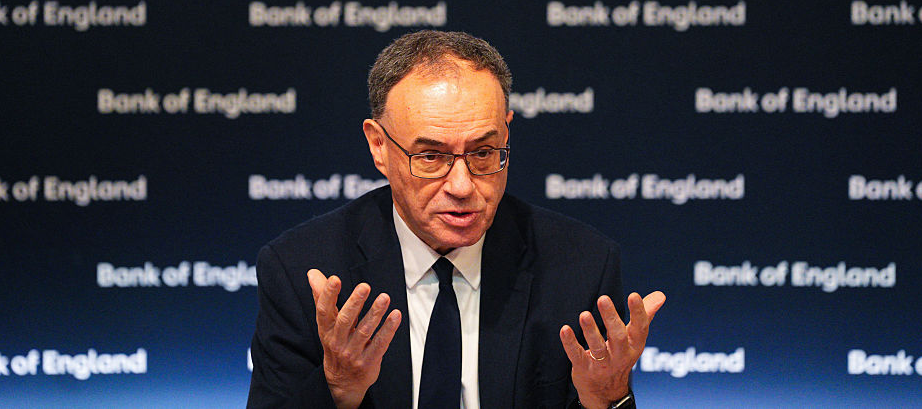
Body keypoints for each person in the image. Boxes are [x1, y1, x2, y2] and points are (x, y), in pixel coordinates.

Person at [248, 30, 664, 409]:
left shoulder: (580, 266)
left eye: (484, 152)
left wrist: (606, 400)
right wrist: (337, 387)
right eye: (430, 157)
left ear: (507, 133)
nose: (462, 186)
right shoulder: (301, 270)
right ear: (378, 146)